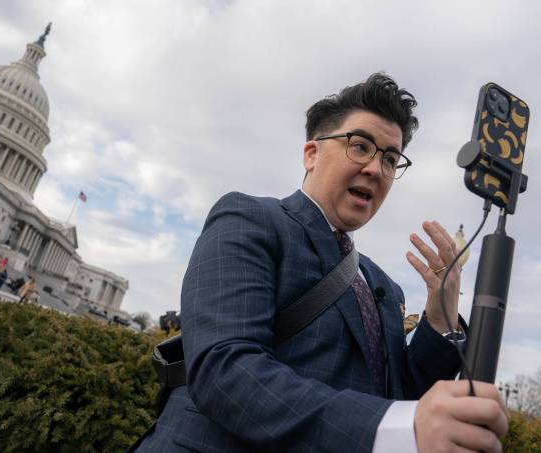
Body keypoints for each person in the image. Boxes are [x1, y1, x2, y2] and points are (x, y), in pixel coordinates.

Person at [136, 74, 508, 452]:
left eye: (391, 159)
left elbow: (399, 398)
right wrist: (391, 426)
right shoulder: (249, 218)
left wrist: (441, 317)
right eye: (360, 146)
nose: (376, 169)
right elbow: (225, 370)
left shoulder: (384, 286)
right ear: (311, 154)